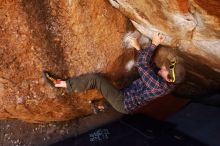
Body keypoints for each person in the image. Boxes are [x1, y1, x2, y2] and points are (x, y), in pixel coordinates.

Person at [43, 32, 186, 114]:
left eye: (165, 68)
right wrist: (138, 47)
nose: (163, 66)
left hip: (123, 102)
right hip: (130, 95)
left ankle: (60, 84)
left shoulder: (158, 85)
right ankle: (101, 106)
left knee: (96, 80)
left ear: (168, 76)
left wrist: (154, 44)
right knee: (116, 87)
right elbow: (148, 66)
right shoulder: (166, 81)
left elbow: (142, 64)